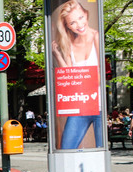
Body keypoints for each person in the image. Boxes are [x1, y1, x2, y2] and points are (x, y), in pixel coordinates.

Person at [52, 0, 103, 149]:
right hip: (78, 104)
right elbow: (68, 74)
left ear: (86, 14)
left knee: (100, 150)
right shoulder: (69, 44)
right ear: (67, 26)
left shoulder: (96, 37)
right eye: (72, 22)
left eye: (80, 18)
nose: (79, 25)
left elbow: (100, 72)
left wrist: (80, 84)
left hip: (97, 104)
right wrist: (57, 55)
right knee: (66, 147)